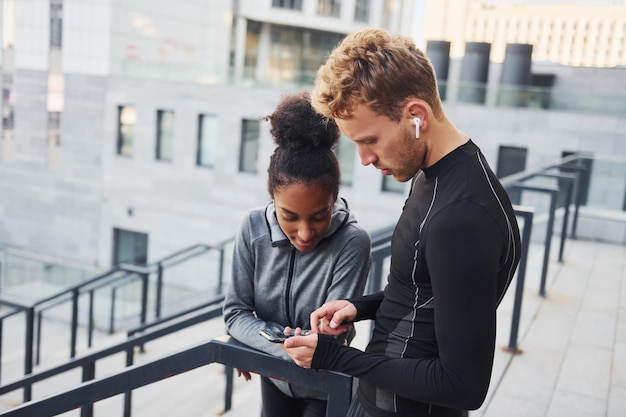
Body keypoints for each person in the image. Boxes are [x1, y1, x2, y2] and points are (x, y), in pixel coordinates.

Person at [283, 28, 522, 417]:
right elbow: (430, 293)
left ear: (415, 116)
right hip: (382, 397)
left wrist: (335, 357)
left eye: (370, 140)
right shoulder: (436, 171)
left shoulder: (461, 216)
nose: (363, 158)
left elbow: (464, 387)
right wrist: (359, 306)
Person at [223, 91, 372, 417]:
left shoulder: (352, 242)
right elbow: (235, 314)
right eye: (289, 216)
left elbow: (331, 340)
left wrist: (259, 341)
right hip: (275, 381)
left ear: (334, 199)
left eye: (319, 215)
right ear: (272, 199)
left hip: (328, 388)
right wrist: (279, 348)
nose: (305, 233)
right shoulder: (253, 228)